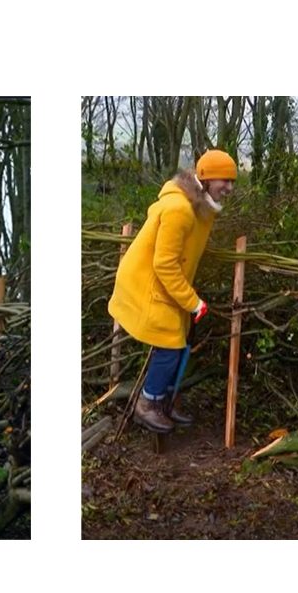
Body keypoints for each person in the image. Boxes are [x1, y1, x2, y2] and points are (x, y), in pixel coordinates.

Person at [108, 149, 236, 433]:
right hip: (149, 285)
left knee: (182, 344)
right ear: (204, 177)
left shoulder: (201, 207)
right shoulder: (179, 210)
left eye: (232, 181)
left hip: (169, 287)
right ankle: (147, 404)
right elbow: (165, 265)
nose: (229, 187)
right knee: (170, 347)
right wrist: (193, 302)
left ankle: (164, 402)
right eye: (224, 180)